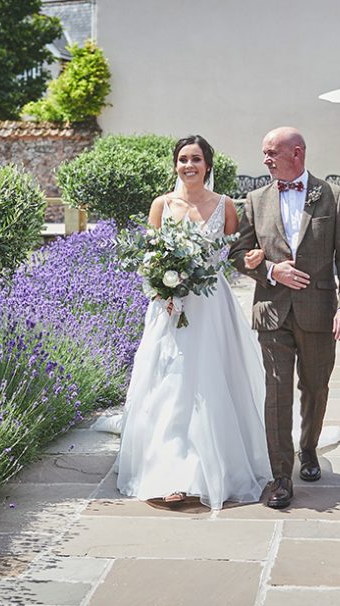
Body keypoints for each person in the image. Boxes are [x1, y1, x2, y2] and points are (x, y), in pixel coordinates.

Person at [116, 135, 272, 509]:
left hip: (210, 304)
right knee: (169, 384)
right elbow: (149, 258)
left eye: (196, 159)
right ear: (175, 165)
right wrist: (161, 291)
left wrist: (253, 260)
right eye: (183, 159)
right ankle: (170, 471)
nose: (189, 165)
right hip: (169, 307)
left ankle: (207, 470)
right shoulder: (162, 205)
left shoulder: (225, 206)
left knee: (209, 383)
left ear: (208, 165)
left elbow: (235, 254)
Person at [229, 126, 340, 509]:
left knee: (316, 388)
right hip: (271, 312)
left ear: (297, 153)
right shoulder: (254, 200)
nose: (265, 159)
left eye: (272, 152)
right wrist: (270, 270)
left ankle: (309, 448)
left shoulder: (332, 197)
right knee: (277, 393)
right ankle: (281, 476)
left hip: (319, 311)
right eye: (265, 152)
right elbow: (239, 255)